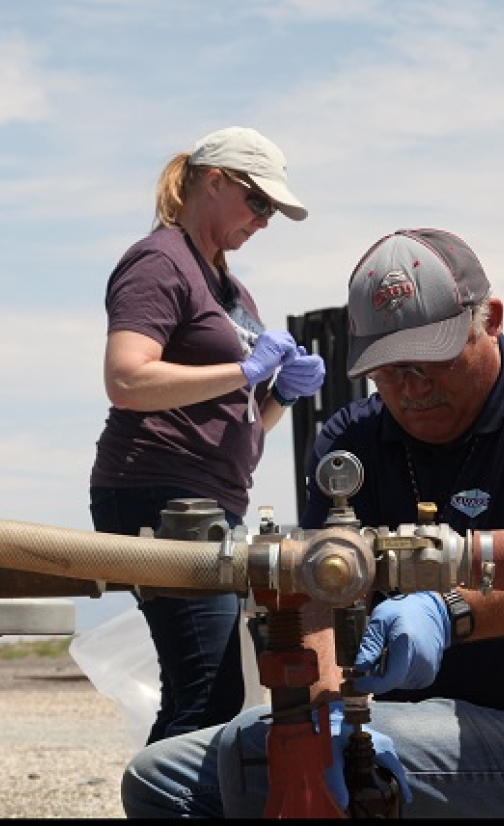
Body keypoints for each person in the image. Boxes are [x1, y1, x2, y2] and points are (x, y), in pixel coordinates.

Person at [121, 228, 504, 818]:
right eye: (388, 370)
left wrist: (453, 611)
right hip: (410, 727)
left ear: (492, 320)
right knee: (162, 779)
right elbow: (316, 598)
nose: (411, 388)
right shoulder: (353, 441)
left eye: (431, 359)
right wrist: (323, 717)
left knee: (252, 764)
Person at [89, 126, 327, 745]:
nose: (266, 221)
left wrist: (278, 395)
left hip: (208, 500)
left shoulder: (229, 284)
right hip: (159, 494)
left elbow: (240, 420)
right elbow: (127, 378)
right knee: (206, 687)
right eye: (259, 203)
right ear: (214, 182)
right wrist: (246, 369)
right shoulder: (161, 261)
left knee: (214, 686)